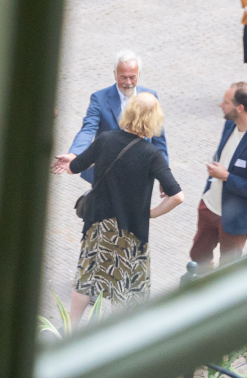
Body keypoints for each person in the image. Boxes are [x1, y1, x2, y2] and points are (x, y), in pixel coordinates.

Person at [66, 93, 183, 323]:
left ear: (127, 113)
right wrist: (151, 213)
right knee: (124, 290)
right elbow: (177, 196)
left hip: (98, 227)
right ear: (154, 120)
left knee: (85, 280)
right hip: (129, 233)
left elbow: (75, 167)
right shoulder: (152, 155)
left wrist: (67, 162)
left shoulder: (105, 139)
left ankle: (70, 330)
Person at [190, 83, 247, 271]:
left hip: (235, 218)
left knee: (229, 268)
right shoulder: (230, 124)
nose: (221, 105)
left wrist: (227, 176)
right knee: (198, 256)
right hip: (209, 207)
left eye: (226, 102)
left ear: (240, 108)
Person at [52, 50, 168, 181]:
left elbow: (158, 136)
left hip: (139, 174)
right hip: (106, 173)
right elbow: (88, 129)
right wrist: (74, 154)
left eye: (132, 77)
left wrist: (163, 174)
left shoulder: (150, 97)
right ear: (115, 74)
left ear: (139, 75)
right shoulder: (99, 98)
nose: (128, 82)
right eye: (123, 77)